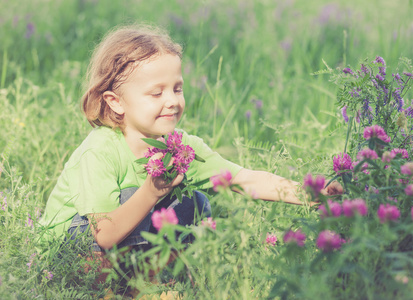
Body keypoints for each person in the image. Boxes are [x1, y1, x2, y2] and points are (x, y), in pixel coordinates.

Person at [38, 24, 340, 283]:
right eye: (157, 93)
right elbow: (103, 233)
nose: (171, 101)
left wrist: (308, 192)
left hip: (119, 244)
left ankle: (145, 282)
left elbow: (242, 179)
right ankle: (107, 286)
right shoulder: (100, 150)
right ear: (115, 102)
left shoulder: (180, 147)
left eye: (177, 88)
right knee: (137, 198)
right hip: (69, 250)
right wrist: (152, 191)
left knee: (194, 202)